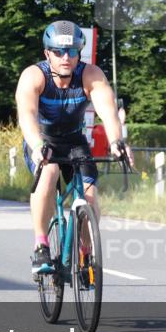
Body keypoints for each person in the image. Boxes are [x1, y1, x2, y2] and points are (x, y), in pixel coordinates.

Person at [16, 20, 132, 273]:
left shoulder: (90, 74)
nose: (65, 58)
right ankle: (41, 245)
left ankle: (86, 252)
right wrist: (37, 145)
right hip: (42, 140)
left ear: (80, 52)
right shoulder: (34, 76)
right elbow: (27, 115)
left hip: (74, 142)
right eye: (58, 52)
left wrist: (116, 141)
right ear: (47, 53)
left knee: (89, 196)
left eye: (72, 52)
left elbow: (108, 112)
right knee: (49, 172)